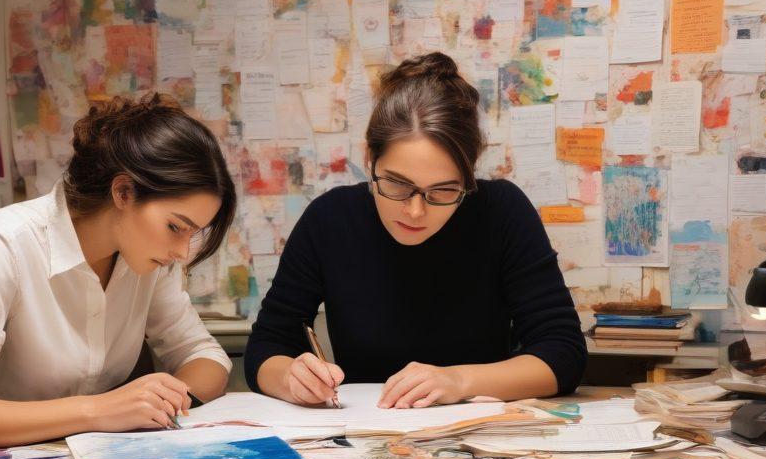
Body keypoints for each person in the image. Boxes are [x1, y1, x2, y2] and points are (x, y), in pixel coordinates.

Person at [245, 52, 587, 409]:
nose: (415, 210)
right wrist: (291, 378)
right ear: (369, 159)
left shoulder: (501, 211)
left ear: (469, 178)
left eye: (443, 191)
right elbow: (267, 346)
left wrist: (459, 380)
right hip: (366, 436)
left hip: (476, 438)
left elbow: (563, 353)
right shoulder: (329, 219)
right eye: (396, 185)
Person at [0, 94, 237, 452]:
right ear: (124, 192)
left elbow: (204, 356)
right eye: (175, 227)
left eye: (193, 233)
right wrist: (99, 411)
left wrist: (165, 400)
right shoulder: (1, 245)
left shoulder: (148, 259)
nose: (182, 253)